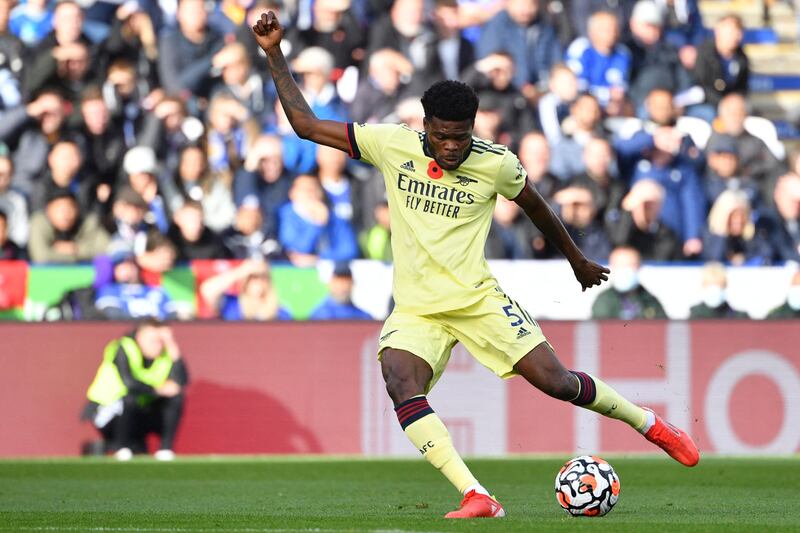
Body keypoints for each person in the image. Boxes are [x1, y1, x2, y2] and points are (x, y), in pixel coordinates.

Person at [252, 11, 699, 519]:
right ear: (425, 127)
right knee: (400, 380)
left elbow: (535, 206)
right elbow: (306, 125)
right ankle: (477, 495)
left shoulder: (496, 162)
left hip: (476, 299)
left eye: (461, 136)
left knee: (558, 384)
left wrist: (576, 259)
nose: (451, 145)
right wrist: (273, 52)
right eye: (442, 136)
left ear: (473, 128)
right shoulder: (391, 144)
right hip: (418, 309)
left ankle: (651, 425)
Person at [83, 318, 188, 460]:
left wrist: (171, 344)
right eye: (153, 340)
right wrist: (158, 390)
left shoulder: (165, 354)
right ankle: (121, 448)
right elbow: (129, 383)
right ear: (140, 336)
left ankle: (165, 450)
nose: (158, 345)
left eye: (161, 341)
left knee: (175, 398)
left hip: (138, 412)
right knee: (129, 399)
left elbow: (181, 381)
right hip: (107, 410)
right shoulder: (123, 347)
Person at [591, 246, 668, 319]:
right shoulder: (604, 300)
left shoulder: (649, 300)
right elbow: (598, 329)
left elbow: (663, 327)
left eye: (630, 265)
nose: (625, 270)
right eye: (620, 265)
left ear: (639, 266)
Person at [200, 259, 291, 320]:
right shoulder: (233, 305)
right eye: (253, 277)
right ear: (246, 281)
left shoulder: (280, 312)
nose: (258, 282)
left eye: (262, 277)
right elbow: (207, 290)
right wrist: (242, 271)